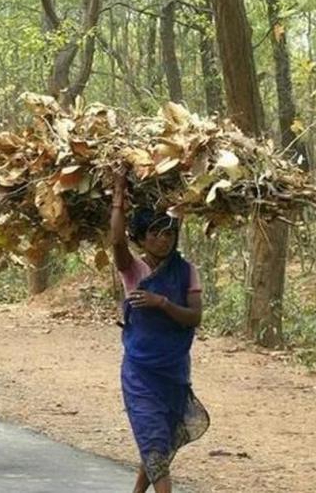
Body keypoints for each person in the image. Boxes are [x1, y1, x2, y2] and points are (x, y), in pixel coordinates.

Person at [111, 172, 209, 493]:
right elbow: (116, 242)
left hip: (173, 373)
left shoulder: (186, 271)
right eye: (155, 233)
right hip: (140, 372)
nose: (163, 239)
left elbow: (194, 317)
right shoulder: (134, 269)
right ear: (142, 237)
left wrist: (162, 302)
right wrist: (118, 198)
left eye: (169, 233)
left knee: (160, 441)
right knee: (152, 438)